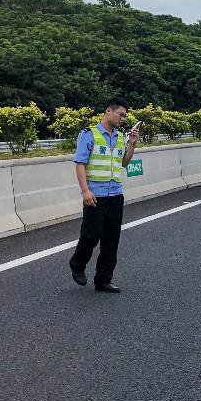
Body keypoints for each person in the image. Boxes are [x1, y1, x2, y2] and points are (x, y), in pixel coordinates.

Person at [68, 97, 139, 293]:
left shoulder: (120, 137)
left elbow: (124, 163)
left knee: (111, 240)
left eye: (125, 116)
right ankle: (77, 264)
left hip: (115, 195)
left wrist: (132, 144)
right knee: (91, 236)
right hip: (95, 195)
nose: (123, 119)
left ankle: (103, 280)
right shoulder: (89, 134)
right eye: (120, 115)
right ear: (108, 111)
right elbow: (80, 163)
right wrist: (85, 191)